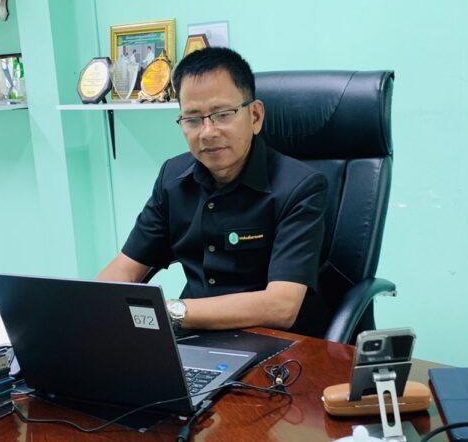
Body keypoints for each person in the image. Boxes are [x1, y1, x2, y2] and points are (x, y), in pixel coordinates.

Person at [96, 47, 329, 333]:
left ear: (255, 116)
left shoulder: (301, 187)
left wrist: (168, 312)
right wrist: (89, 306)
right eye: (193, 119)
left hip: (275, 343)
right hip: (193, 336)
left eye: (222, 114)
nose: (208, 132)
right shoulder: (172, 178)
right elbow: (126, 268)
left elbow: (280, 307)